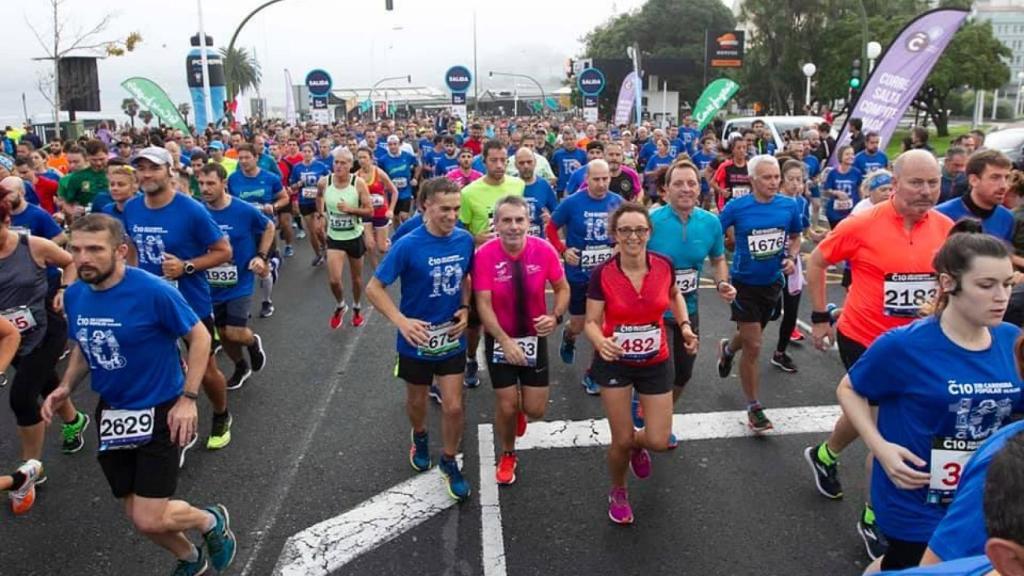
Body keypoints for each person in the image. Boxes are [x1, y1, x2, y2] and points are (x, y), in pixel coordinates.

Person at [41, 214, 237, 575]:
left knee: (149, 516)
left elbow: (199, 337)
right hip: (112, 411)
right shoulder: (77, 295)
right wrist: (66, 386)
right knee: (135, 511)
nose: (83, 258)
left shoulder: (153, 290)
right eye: (76, 249)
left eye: (94, 249)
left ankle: (210, 520)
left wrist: (188, 399)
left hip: (161, 408)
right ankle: (190, 558)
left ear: (120, 251)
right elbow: (84, 345)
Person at [836, 221, 1023, 572]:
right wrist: (880, 447)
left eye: (1008, 284)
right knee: (908, 565)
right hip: (915, 498)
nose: (1001, 297)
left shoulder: (1011, 339)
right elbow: (849, 389)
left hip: (978, 495)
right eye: (986, 285)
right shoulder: (904, 345)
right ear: (948, 283)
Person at [804, 150, 955, 561]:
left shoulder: (946, 229)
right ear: (895, 184)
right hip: (866, 341)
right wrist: (818, 317)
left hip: (920, 348)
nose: (927, 191)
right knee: (889, 434)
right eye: (917, 183)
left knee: (873, 422)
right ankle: (875, 517)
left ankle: (825, 455)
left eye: (934, 183)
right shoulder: (862, 224)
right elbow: (817, 262)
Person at [584, 202, 698, 524]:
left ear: (649, 232)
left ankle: (638, 445)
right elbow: (591, 321)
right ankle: (618, 489)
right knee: (620, 440)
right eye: (625, 230)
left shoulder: (664, 264)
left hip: (655, 360)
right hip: (615, 362)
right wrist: (600, 341)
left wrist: (685, 326)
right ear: (614, 234)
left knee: (659, 440)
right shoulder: (603, 273)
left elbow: (674, 295)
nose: (633, 237)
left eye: (639, 230)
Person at [365, 177, 475, 501]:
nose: (452, 216)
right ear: (426, 206)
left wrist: (465, 308)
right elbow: (374, 288)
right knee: (417, 401)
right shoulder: (408, 244)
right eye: (445, 209)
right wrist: (401, 321)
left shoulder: (465, 240)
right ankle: (421, 434)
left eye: (456, 209)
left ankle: (449, 460)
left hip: (450, 336)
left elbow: (466, 277)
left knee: (454, 406)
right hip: (416, 339)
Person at [124, 146, 235, 453]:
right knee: (158, 368)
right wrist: (130, 280)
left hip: (189, 302)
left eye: (154, 168)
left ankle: (221, 414)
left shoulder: (191, 209)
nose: (146, 175)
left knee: (206, 369)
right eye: (141, 168)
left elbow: (224, 251)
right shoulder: (132, 207)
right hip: (149, 303)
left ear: (169, 171)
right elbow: (132, 247)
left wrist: (186, 266)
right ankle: (173, 429)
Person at [473, 195, 569, 485]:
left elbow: (562, 288)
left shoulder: (544, 250)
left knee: (535, 409)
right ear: (496, 224)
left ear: (528, 222)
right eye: (506, 220)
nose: (513, 226)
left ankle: (520, 413)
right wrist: (504, 341)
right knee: (506, 405)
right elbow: (483, 304)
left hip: (533, 338)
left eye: (519, 220)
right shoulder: (484, 255)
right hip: (500, 339)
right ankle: (508, 452)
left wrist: (555, 316)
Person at [0, 196, 90, 482]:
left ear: (7, 221)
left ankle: (30, 469)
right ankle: (74, 420)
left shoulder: (32, 245)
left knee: (22, 397)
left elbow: (71, 263)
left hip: (47, 329)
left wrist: (64, 288)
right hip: (9, 337)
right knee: (46, 381)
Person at [645, 160, 734, 442]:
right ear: (666, 190)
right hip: (653, 312)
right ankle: (651, 424)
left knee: (683, 374)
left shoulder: (710, 223)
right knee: (662, 372)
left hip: (688, 310)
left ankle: (661, 417)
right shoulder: (650, 222)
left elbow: (718, 259)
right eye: (679, 184)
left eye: (691, 183)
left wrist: (721, 282)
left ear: (699, 188)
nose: (686, 189)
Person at [716, 155, 803, 433]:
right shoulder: (737, 207)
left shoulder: (788, 205)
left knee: (749, 337)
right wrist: (721, 253)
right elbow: (714, 233)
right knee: (754, 345)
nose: (774, 182)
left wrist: (791, 257)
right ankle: (754, 407)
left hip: (772, 283)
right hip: (744, 285)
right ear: (752, 180)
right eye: (767, 177)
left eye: (776, 176)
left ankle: (728, 349)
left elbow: (796, 236)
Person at [546, 159, 624, 394]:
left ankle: (593, 373)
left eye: (605, 179)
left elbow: (624, 230)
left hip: (605, 275)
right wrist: (563, 250)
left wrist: (618, 247)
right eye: (596, 179)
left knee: (601, 325)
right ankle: (569, 335)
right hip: (578, 275)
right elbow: (551, 228)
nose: (601, 184)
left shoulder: (617, 202)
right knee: (579, 324)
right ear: (586, 179)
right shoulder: (572, 202)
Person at [199, 163, 273, 390]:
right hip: (210, 284)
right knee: (222, 333)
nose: (205, 188)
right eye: (201, 183)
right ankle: (241, 366)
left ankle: (252, 342)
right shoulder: (197, 212)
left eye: (210, 183)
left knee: (233, 331)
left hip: (240, 280)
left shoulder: (243, 210)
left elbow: (269, 226)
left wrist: (261, 256)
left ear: (224, 183)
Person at [458, 140, 526, 388]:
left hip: (514, 262)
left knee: (513, 312)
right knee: (476, 321)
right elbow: (460, 230)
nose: (499, 165)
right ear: (483, 161)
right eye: (493, 160)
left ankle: (513, 355)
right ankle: (470, 358)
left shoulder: (517, 185)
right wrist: (476, 238)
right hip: (483, 265)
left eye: (503, 160)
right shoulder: (469, 193)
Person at [227, 143, 288, 318]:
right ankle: (242, 305)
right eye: (240, 158)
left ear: (256, 158)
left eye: (247, 157)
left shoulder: (270, 178)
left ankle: (266, 301)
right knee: (241, 268)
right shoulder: (233, 179)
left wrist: (274, 206)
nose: (243, 161)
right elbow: (229, 200)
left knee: (262, 268)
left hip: (264, 230)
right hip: (241, 231)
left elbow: (284, 198)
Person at [319, 147, 373, 330]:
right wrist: (320, 215)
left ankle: (357, 307)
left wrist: (351, 210)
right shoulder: (324, 182)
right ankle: (341, 305)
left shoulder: (358, 184)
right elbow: (318, 197)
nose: (339, 166)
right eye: (336, 162)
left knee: (356, 279)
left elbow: (369, 210)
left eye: (343, 163)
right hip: (335, 237)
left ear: (351, 165)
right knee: (334, 280)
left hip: (354, 236)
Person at [771, 159, 814, 373]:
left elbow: (804, 230)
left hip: (791, 261)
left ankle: (780, 352)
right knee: (770, 312)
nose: (796, 184)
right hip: (770, 261)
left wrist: (814, 236)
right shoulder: (772, 201)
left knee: (791, 310)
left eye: (800, 179)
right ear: (781, 181)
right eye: (791, 179)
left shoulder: (802, 203)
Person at [936, 150, 1015, 246]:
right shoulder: (942, 215)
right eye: (995, 177)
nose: (1004, 186)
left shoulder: (1007, 218)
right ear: (974, 180)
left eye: (1006, 177)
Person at [288, 143, 331, 267]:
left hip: (319, 201)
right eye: (304, 151)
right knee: (312, 231)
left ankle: (325, 245)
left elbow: (330, 182)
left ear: (313, 152)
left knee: (319, 229)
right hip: (304, 201)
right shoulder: (297, 168)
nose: (306, 154)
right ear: (301, 153)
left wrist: (322, 184)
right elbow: (292, 186)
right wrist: (298, 184)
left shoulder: (321, 166)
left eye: (309, 151)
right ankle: (318, 254)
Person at [357, 146, 399, 270]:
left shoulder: (379, 173)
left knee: (382, 248)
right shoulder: (356, 176)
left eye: (364, 157)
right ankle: (377, 271)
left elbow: (394, 191)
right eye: (359, 158)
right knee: (369, 245)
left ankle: (389, 243)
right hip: (366, 213)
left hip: (381, 212)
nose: (362, 160)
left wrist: (391, 209)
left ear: (371, 158)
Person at [515, 147, 558, 238]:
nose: (526, 166)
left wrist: (550, 219)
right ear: (516, 165)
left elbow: (556, 213)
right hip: (515, 240)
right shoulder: (510, 185)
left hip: (538, 240)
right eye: (521, 163)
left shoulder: (544, 185)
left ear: (535, 162)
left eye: (529, 162)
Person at [378, 135, 420, 224]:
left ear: (399, 144)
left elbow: (418, 166)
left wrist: (415, 178)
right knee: (396, 218)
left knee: (404, 216)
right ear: (387, 146)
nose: (393, 146)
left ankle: (406, 230)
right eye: (390, 144)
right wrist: (384, 184)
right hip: (392, 193)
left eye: (395, 144)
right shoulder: (383, 160)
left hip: (405, 191)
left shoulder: (407, 156)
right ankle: (398, 232)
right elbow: (379, 174)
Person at [823, 145, 864, 229]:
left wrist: (862, 204)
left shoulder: (857, 172)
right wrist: (836, 192)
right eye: (847, 154)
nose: (850, 156)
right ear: (840, 156)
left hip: (852, 211)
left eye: (852, 154)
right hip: (835, 213)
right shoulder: (833, 173)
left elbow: (860, 189)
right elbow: (826, 191)